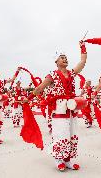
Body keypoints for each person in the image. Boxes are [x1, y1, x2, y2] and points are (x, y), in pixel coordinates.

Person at [26, 40, 87, 171]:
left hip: (71, 108)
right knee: (61, 134)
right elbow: (39, 88)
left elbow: (82, 62)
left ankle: (68, 160)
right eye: (62, 57)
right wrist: (28, 99)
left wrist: (82, 47)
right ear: (56, 62)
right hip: (59, 109)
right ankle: (58, 159)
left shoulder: (71, 73)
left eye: (66, 57)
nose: (65, 59)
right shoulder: (52, 75)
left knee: (72, 133)